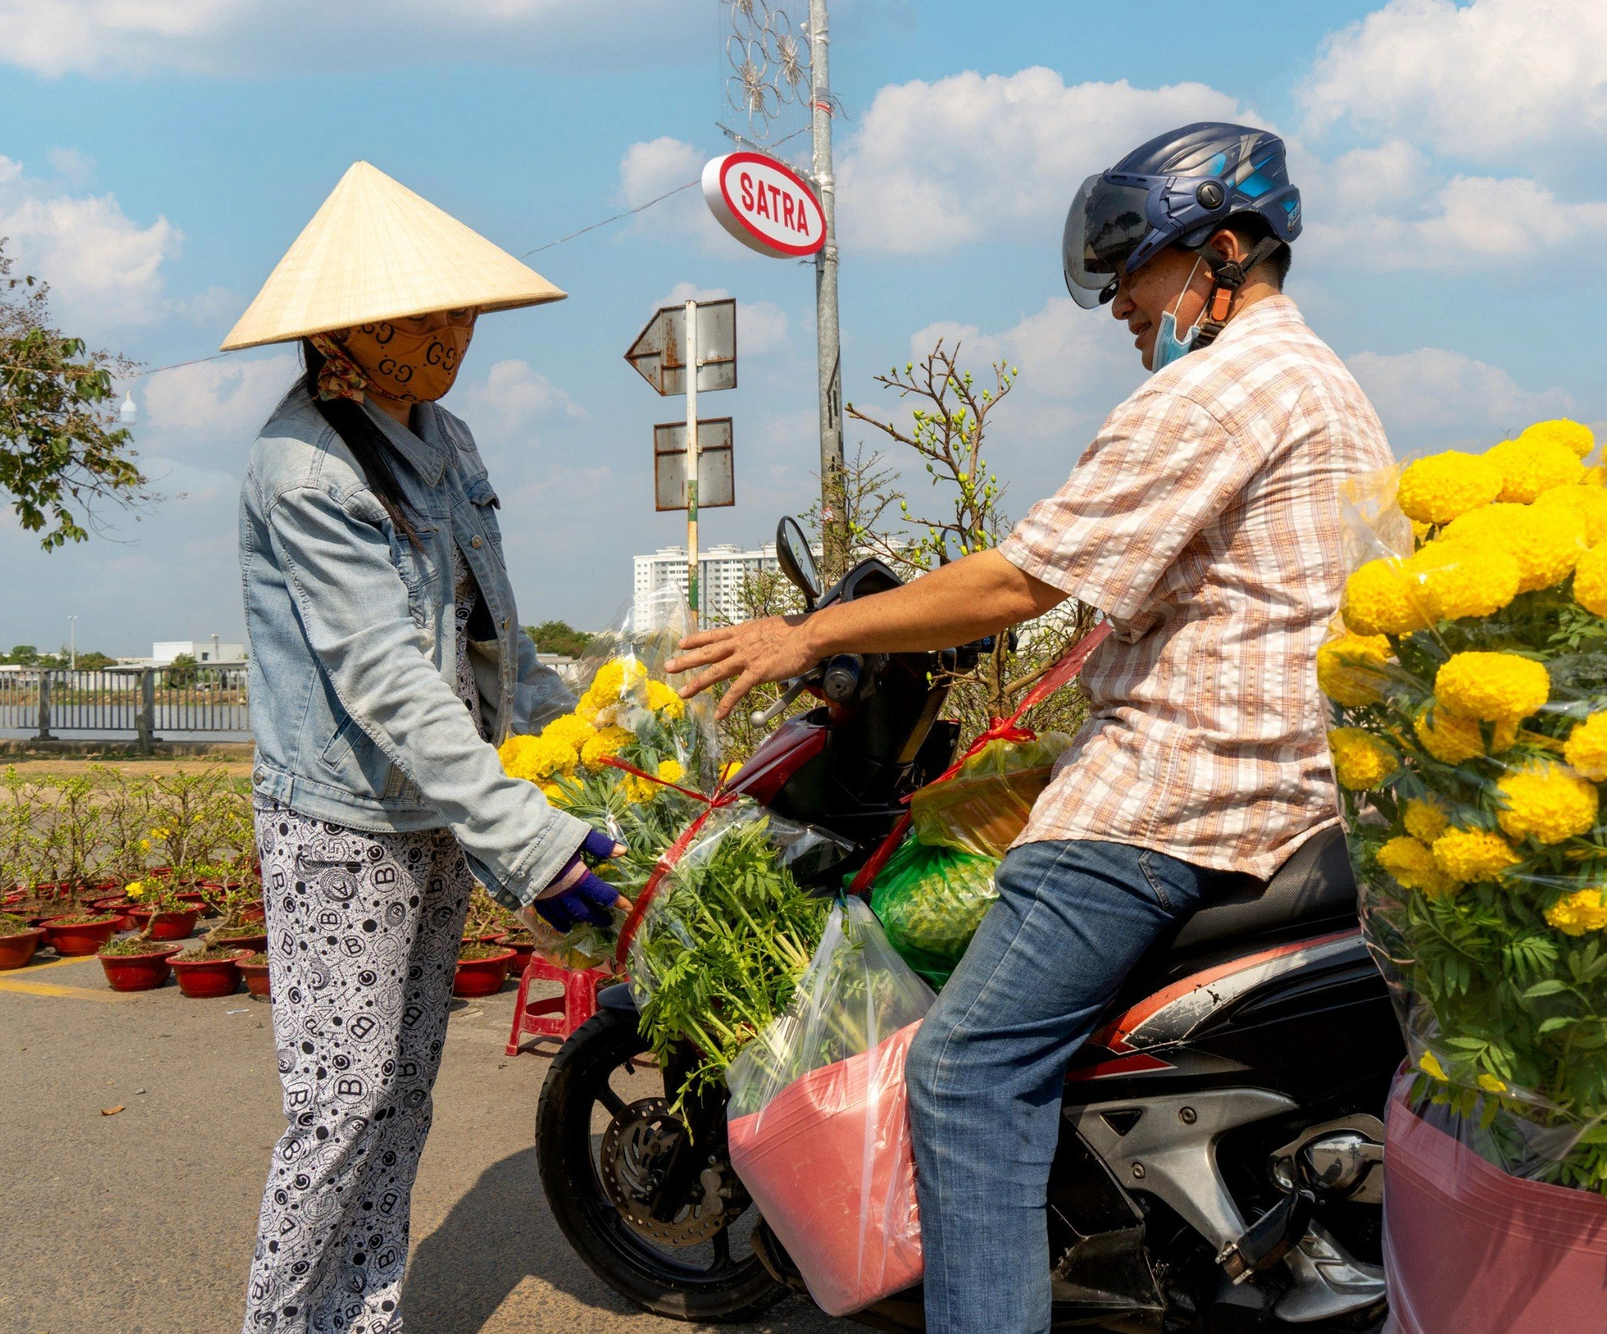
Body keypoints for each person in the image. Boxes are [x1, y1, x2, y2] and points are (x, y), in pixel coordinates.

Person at [668, 122, 1395, 1332]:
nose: (1118, 305)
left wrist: (809, 639)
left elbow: (1020, 579)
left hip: (1176, 799)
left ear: (1219, 254)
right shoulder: (1318, 380)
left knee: (961, 1075)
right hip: (1292, 785)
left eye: (1137, 275)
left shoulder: (1215, 389)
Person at [225, 161, 620, 1333]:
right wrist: (535, 836)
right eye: (428, 316)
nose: (455, 336)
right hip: (343, 821)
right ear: (350, 328)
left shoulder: (441, 437)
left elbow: (486, 633)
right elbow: (388, 681)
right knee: (338, 1101)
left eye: (462, 313)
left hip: (439, 808)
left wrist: (597, 725)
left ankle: (362, 1315)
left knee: (400, 1093)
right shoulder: (305, 467)